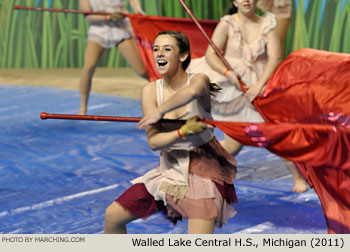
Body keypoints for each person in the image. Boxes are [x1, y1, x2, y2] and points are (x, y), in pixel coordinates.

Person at [104, 31, 238, 234]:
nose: (159, 54)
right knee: (112, 217)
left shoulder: (199, 80)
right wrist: (183, 131)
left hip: (203, 170)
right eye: (156, 49)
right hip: (169, 168)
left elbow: (191, 93)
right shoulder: (150, 91)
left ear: (183, 56)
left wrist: (160, 111)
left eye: (167, 49)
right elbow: (154, 142)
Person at [188, 0, 308, 193]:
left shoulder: (267, 23)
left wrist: (259, 86)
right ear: (235, 1)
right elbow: (212, 55)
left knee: (274, 131)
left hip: (262, 83)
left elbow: (275, 57)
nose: (246, 0)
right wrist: (228, 73)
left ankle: (298, 177)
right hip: (232, 83)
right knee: (234, 143)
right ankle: (199, 165)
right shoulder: (227, 23)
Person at [78, 0, 148, 115]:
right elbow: (88, 16)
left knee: (142, 71)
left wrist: (137, 9)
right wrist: (107, 18)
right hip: (99, 30)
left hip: (121, 27)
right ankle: (82, 109)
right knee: (88, 67)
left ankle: (167, 94)